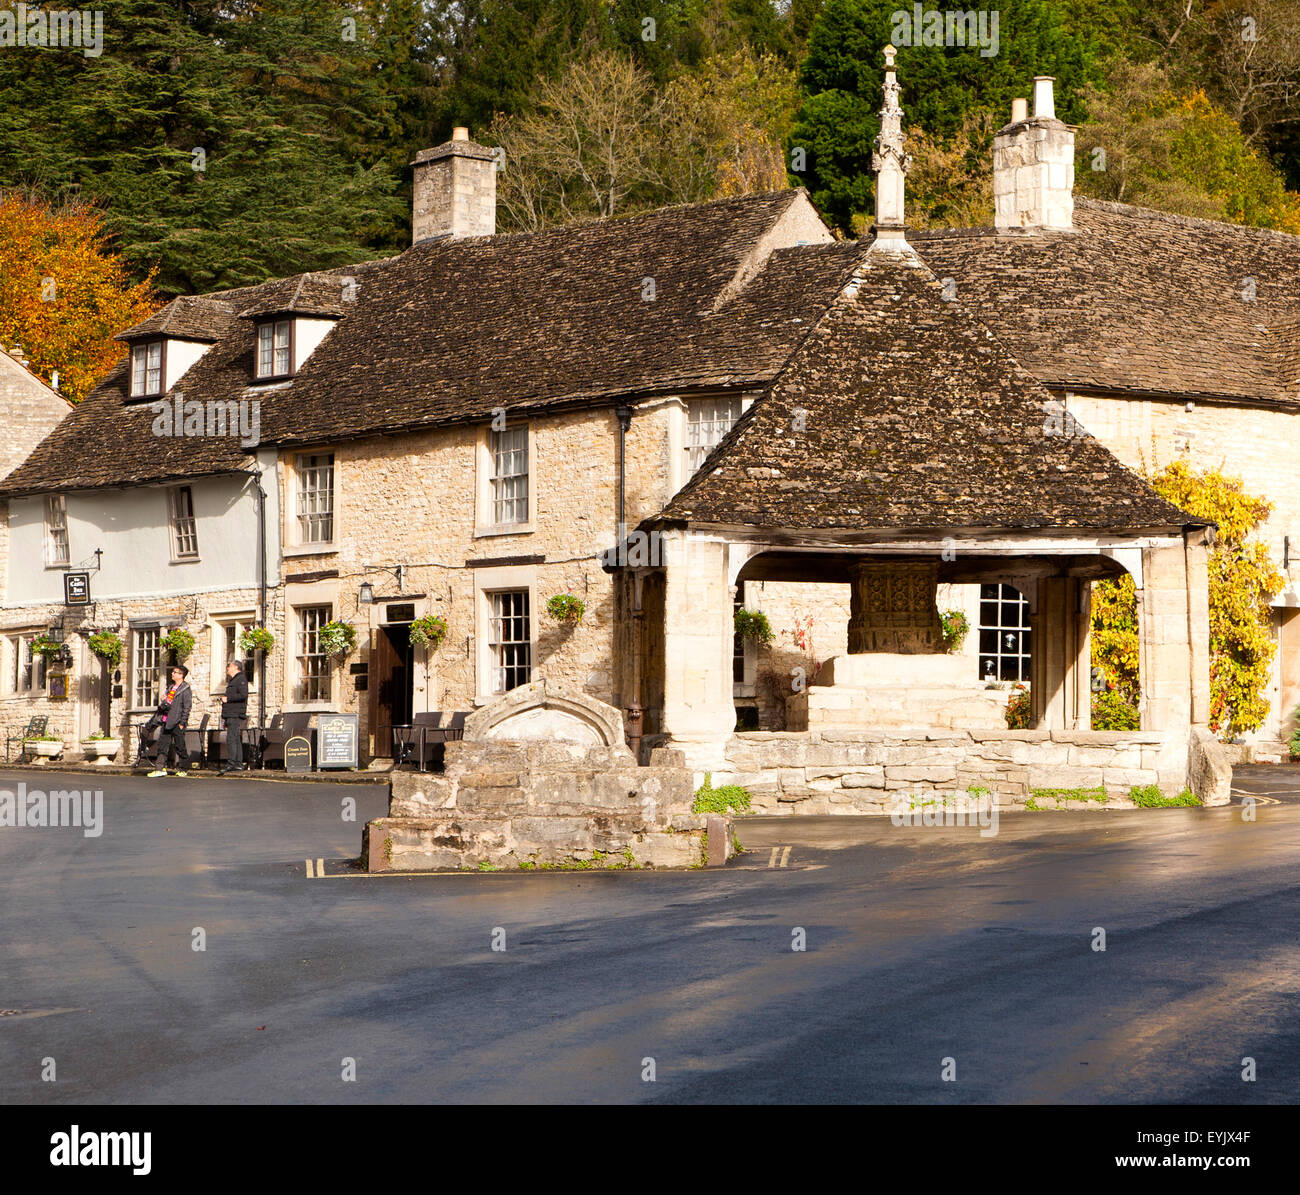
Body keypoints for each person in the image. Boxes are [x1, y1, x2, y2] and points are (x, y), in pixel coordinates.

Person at [147, 665, 192, 778]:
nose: (172, 674)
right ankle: (160, 768)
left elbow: (187, 707)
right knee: (162, 745)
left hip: (177, 722)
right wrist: (164, 701)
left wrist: (182, 722)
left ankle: (184, 768)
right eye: (173, 672)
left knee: (179, 746)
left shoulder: (185, 689)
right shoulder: (171, 687)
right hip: (166, 721)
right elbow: (167, 705)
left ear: (181, 675)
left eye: (175, 672)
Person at [219, 658, 249, 774]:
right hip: (230, 713)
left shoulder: (240, 679)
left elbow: (243, 695)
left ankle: (232, 763)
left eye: (229, 666)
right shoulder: (234, 680)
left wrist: (228, 698)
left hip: (235, 713)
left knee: (232, 739)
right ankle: (238, 764)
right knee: (235, 738)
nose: (227, 668)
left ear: (236, 667)